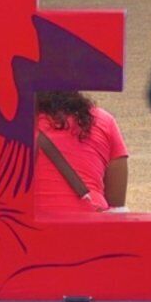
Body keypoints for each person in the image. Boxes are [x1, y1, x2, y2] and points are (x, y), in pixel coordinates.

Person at [26, 89, 130, 217]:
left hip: (28, 229)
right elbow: (117, 207)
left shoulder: (9, 126)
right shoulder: (103, 121)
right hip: (91, 226)